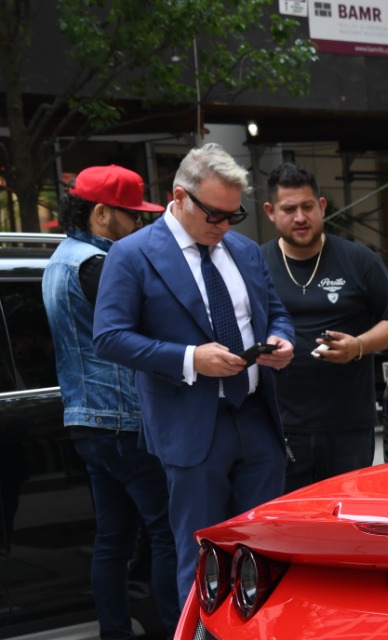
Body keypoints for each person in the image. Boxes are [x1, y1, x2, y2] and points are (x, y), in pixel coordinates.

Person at [94, 144, 295, 609]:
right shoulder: (132, 254)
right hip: (191, 424)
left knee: (265, 551)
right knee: (202, 557)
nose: (224, 226)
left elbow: (276, 313)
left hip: (257, 418)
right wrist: (189, 358)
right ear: (179, 197)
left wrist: (283, 341)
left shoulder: (241, 250)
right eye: (215, 215)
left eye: (233, 215)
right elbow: (108, 337)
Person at [42, 165, 179, 640]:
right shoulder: (99, 265)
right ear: (101, 213)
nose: (137, 226)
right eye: (130, 215)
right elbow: (133, 334)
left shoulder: (57, 261)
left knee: (113, 540)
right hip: (124, 420)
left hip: (84, 418)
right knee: (166, 532)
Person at [261, 163, 388, 489]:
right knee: (287, 527)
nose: (300, 217)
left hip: (348, 426)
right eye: (289, 209)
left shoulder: (358, 259)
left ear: (322, 206)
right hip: (281, 425)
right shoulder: (256, 264)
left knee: (344, 526)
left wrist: (358, 346)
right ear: (271, 212)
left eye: (307, 206)